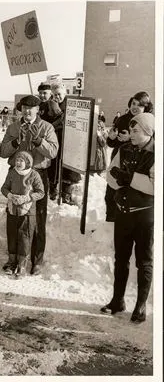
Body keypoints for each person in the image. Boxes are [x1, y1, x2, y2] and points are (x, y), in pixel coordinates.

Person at [100, 112, 155, 324]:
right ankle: (117, 300)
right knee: (120, 258)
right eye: (130, 130)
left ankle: (141, 305)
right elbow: (110, 172)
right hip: (123, 212)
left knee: (144, 261)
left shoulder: (156, 152)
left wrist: (129, 178)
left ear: (148, 132)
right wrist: (118, 180)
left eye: (135, 131)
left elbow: (154, 186)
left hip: (145, 216)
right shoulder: (123, 149)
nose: (131, 134)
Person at [1, 95, 58, 275]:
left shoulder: (46, 127)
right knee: (16, 217)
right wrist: (16, 142)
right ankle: (16, 258)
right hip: (16, 175)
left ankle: (36, 259)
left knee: (37, 218)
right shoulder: (13, 127)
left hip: (37, 175)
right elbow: (3, 151)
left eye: (31, 108)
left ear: (38, 110)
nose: (27, 111)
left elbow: (53, 152)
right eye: (24, 107)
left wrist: (39, 141)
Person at [104, 91, 153, 222]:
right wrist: (111, 138)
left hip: (138, 164)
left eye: (140, 105)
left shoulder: (149, 121)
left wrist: (128, 139)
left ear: (146, 108)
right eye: (133, 103)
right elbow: (112, 143)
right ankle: (110, 221)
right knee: (111, 194)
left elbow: (150, 142)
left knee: (132, 195)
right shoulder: (122, 119)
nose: (135, 107)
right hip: (119, 160)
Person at [1, 151, 44, 277]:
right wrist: (10, 195)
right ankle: (11, 262)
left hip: (27, 212)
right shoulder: (12, 173)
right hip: (12, 210)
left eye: (21, 160)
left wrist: (26, 198)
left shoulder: (34, 174)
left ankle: (22, 264)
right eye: (17, 160)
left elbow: (41, 192)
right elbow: (4, 188)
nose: (18, 163)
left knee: (24, 237)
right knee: (12, 235)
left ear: (28, 162)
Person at [50, 83, 82, 204]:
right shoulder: (51, 104)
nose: (57, 97)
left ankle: (66, 194)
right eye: (55, 95)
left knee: (68, 167)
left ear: (64, 93)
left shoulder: (71, 103)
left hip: (69, 139)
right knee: (54, 165)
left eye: (59, 94)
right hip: (55, 138)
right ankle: (53, 190)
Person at [38, 82, 63, 200]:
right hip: (43, 139)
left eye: (45, 93)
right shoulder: (41, 104)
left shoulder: (52, 104)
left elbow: (61, 120)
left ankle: (53, 188)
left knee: (53, 163)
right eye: (40, 93)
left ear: (50, 94)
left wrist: (49, 128)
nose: (42, 95)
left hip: (52, 138)